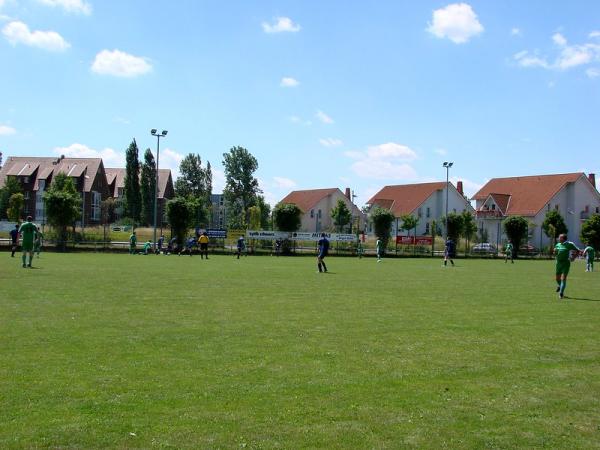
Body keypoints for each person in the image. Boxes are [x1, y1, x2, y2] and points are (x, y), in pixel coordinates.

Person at [553, 233, 580, 299]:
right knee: (557, 278)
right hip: (558, 263)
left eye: (559, 237)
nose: (558, 238)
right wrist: (555, 252)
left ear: (563, 238)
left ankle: (561, 293)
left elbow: (578, 250)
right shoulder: (558, 244)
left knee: (563, 279)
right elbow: (555, 253)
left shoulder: (569, 244)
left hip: (565, 263)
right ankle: (560, 286)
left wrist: (573, 257)